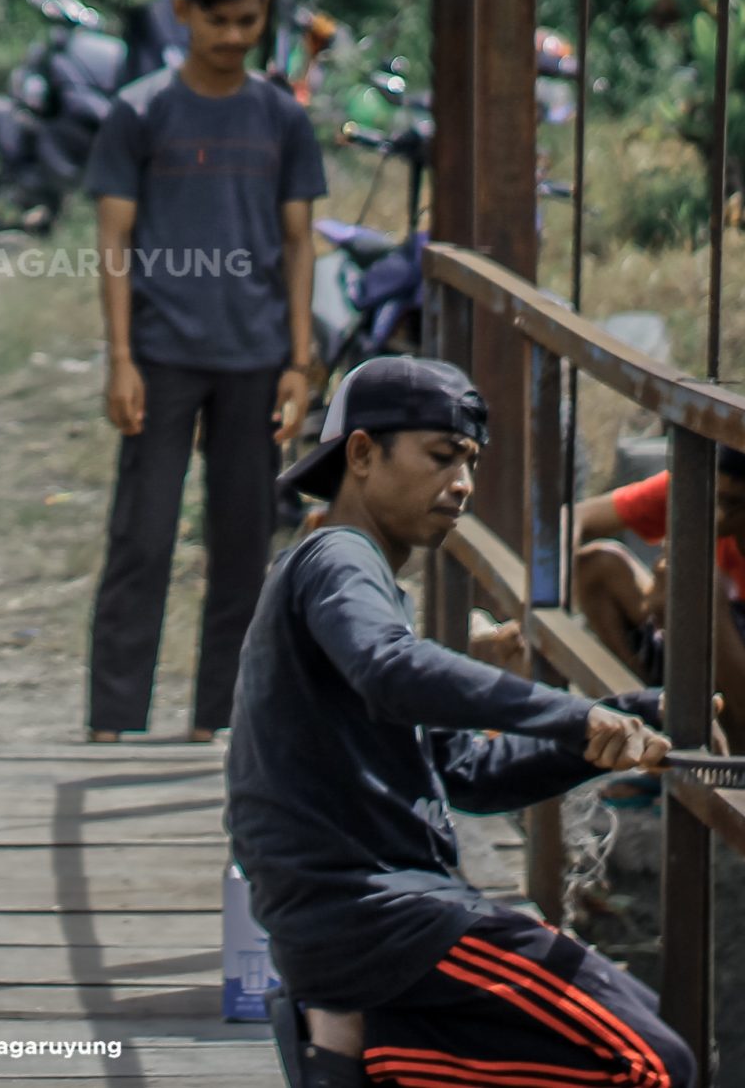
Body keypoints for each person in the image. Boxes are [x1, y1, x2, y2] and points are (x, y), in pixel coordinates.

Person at [229, 356, 693, 1088]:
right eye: (442, 456)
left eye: (471, 462)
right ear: (361, 453)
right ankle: (367, 1053)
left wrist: (618, 727)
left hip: (379, 915)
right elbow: (390, 668)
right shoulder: (337, 558)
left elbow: (467, 774)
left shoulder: (366, 585)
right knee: (651, 1064)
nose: (464, 483)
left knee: (657, 1043)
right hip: (372, 917)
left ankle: (355, 1049)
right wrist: (573, 715)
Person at [83, 0, 326, 742]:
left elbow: (300, 242)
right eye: (216, 21)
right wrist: (120, 358)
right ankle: (114, 720)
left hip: (255, 357)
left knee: (243, 543)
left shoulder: (282, 118)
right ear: (182, 12)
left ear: (265, 15)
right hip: (159, 355)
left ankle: (220, 721)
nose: (231, 37)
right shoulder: (141, 112)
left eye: (247, 22)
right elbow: (114, 239)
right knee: (142, 537)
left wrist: (300, 362)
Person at [562, 447, 745, 782]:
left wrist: (707, 597)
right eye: (713, 496)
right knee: (599, 566)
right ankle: (647, 720)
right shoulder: (706, 489)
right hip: (699, 653)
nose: (714, 512)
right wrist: (549, 596)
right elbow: (577, 517)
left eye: (730, 505)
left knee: (697, 590)